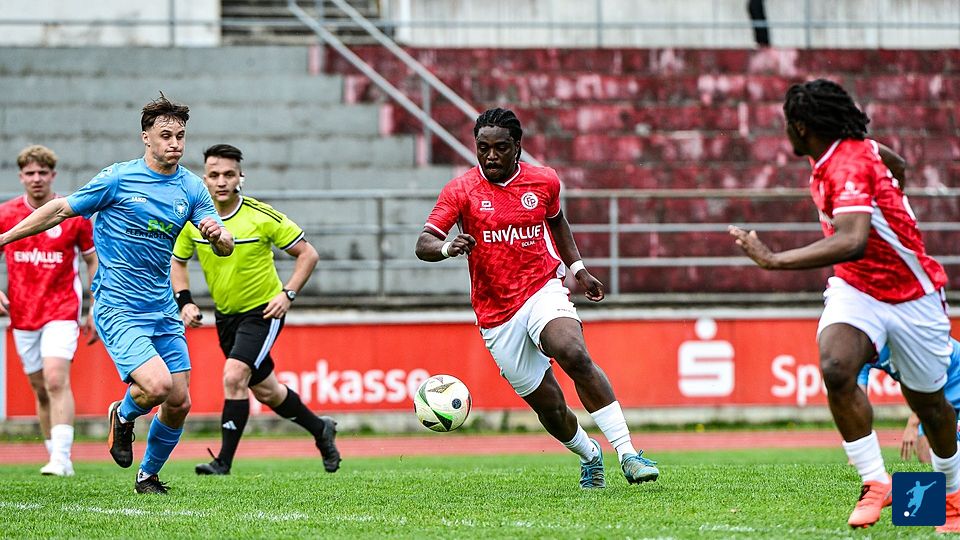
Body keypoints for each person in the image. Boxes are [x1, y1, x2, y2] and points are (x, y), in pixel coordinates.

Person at [729, 79, 960, 531]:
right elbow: (897, 163)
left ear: (802, 126)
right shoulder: (844, 153)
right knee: (835, 367)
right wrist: (895, 200)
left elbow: (853, 240)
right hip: (857, 289)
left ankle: (951, 497)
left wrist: (774, 260)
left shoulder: (847, 164)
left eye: (787, 124)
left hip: (912, 296)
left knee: (930, 406)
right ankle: (877, 482)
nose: (785, 132)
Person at [0, 94, 234, 494]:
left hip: (161, 308)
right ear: (146, 137)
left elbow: (224, 244)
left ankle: (147, 477)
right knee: (156, 386)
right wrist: (5, 237)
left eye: (180, 136)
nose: (175, 143)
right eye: (166, 135)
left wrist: (219, 237)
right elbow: (59, 210)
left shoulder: (192, 187)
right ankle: (122, 416)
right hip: (118, 305)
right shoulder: (117, 179)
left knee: (179, 402)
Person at [416, 107, 659, 489]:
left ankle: (628, 453)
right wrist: (447, 247)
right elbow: (423, 243)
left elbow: (556, 220)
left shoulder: (544, 180)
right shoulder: (461, 190)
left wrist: (578, 269)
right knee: (551, 408)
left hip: (541, 288)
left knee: (573, 353)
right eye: (483, 148)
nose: (490, 156)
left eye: (500, 148)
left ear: (517, 147)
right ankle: (590, 455)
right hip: (496, 314)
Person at [170, 143, 340, 476]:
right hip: (226, 315)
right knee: (267, 391)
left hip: (263, 311)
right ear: (204, 179)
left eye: (228, 174)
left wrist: (287, 294)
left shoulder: (260, 216)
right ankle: (321, 429)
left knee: (234, 376)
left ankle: (223, 462)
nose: (221, 181)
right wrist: (185, 301)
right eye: (214, 175)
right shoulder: (194, 220)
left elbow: (308, 254)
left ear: (240, 178)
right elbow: (178, 261)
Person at [0, 145, 99, 477]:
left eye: (43, 172)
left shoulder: (72, 215)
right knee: (41, 388)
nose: (37, 178)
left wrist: (95, 305)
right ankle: (54, 453)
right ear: (21, 177)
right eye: (30, 173)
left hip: (62, 310)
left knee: (56, 378)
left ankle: (61, 458)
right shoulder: (6, 214)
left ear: (53, 175)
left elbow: (93, 261)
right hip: (23, 314)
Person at [858, 338, 960, 464]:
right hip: (934, 389)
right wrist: (859, 450)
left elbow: (927, 386)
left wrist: (912, 425)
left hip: (953, 373)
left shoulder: (906, 341)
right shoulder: (863, 354)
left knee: (945, 448)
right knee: (925, 455)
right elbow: (857, 403)